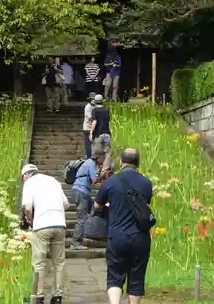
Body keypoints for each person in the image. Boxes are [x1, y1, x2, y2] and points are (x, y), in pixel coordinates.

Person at [93, 149, 153, 304]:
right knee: (136, 278)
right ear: (138, 163)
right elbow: (143, 205)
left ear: (120, 162)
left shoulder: (110, 182)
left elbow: (96, 206)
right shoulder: (146, 183)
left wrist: (109, 206)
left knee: (115, 276)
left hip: (117, 236)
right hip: (140, 236)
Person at [21, 164, 70, 304]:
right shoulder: (53, 180)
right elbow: (66, 204)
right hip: (60, 225)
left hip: (41, 226)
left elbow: (28, 208)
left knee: (39, 263)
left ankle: (38, 297)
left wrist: (30, 221)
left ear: (25, 176)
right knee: (59, 263)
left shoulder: (29, 183)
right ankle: (57, 297)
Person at [70, 150, 105, 250]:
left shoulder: (90, 163)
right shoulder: (91, 163)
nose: (103, 161)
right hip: (81, 191)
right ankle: (75, 243)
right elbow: (94, 180)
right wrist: (101, 177)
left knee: (93, 210)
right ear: (98, 158)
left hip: (82, 191)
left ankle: (90, 232)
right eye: (103, 159)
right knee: (82, 217)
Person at [90, 94, 112, 176]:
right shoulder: (106, 110)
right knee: (107, 153)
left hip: (98, 134)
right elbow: (108, 122)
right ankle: (104, 171)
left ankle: (96, 171)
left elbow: (94, 122)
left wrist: (91, 133)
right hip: (107, 133)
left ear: (95, 102)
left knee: (96, 153)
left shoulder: (95, 110)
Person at [82, 92, 96, 159]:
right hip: (87, 128)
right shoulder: (88, 107)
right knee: (88, 145)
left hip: (94, 128)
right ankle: (89, 157)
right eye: (92, 99)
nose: (93, 100)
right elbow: (90, 117)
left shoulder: (96, 106)